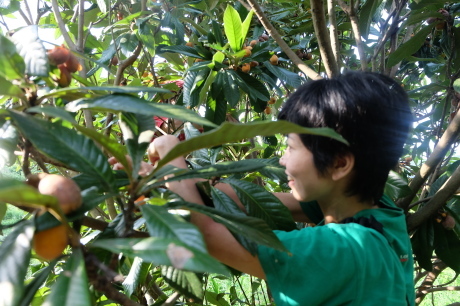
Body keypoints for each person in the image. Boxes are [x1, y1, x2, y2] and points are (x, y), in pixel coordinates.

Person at [116, 71, 415, 305]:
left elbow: (206, 235)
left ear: (339, 164)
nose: (281, 158)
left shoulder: (345, 251)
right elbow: (255, 201)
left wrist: (171, 156)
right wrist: (166, 177)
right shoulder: (378, 213)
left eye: (290, 146)